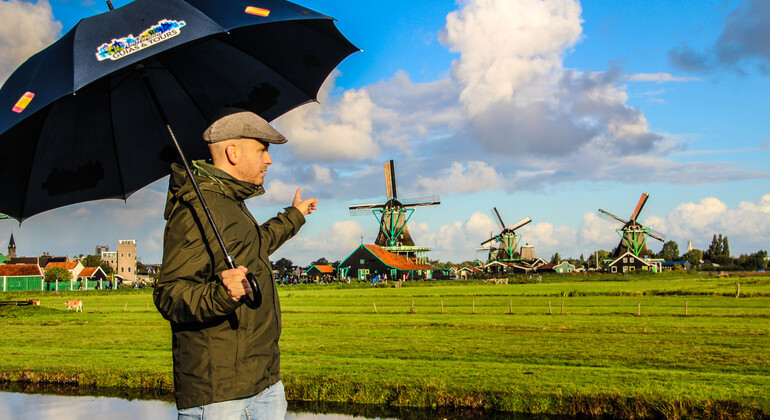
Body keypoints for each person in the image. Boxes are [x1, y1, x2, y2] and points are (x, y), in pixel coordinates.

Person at [153, 108, 318, 419]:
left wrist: (294, 216)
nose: (269, 160)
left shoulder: (229, 203)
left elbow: (255, 244)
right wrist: (221, 294)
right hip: (221, 396)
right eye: (262, 150)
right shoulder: (194, 209)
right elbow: (169, 294)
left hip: (264, 383)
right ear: (233, 152)